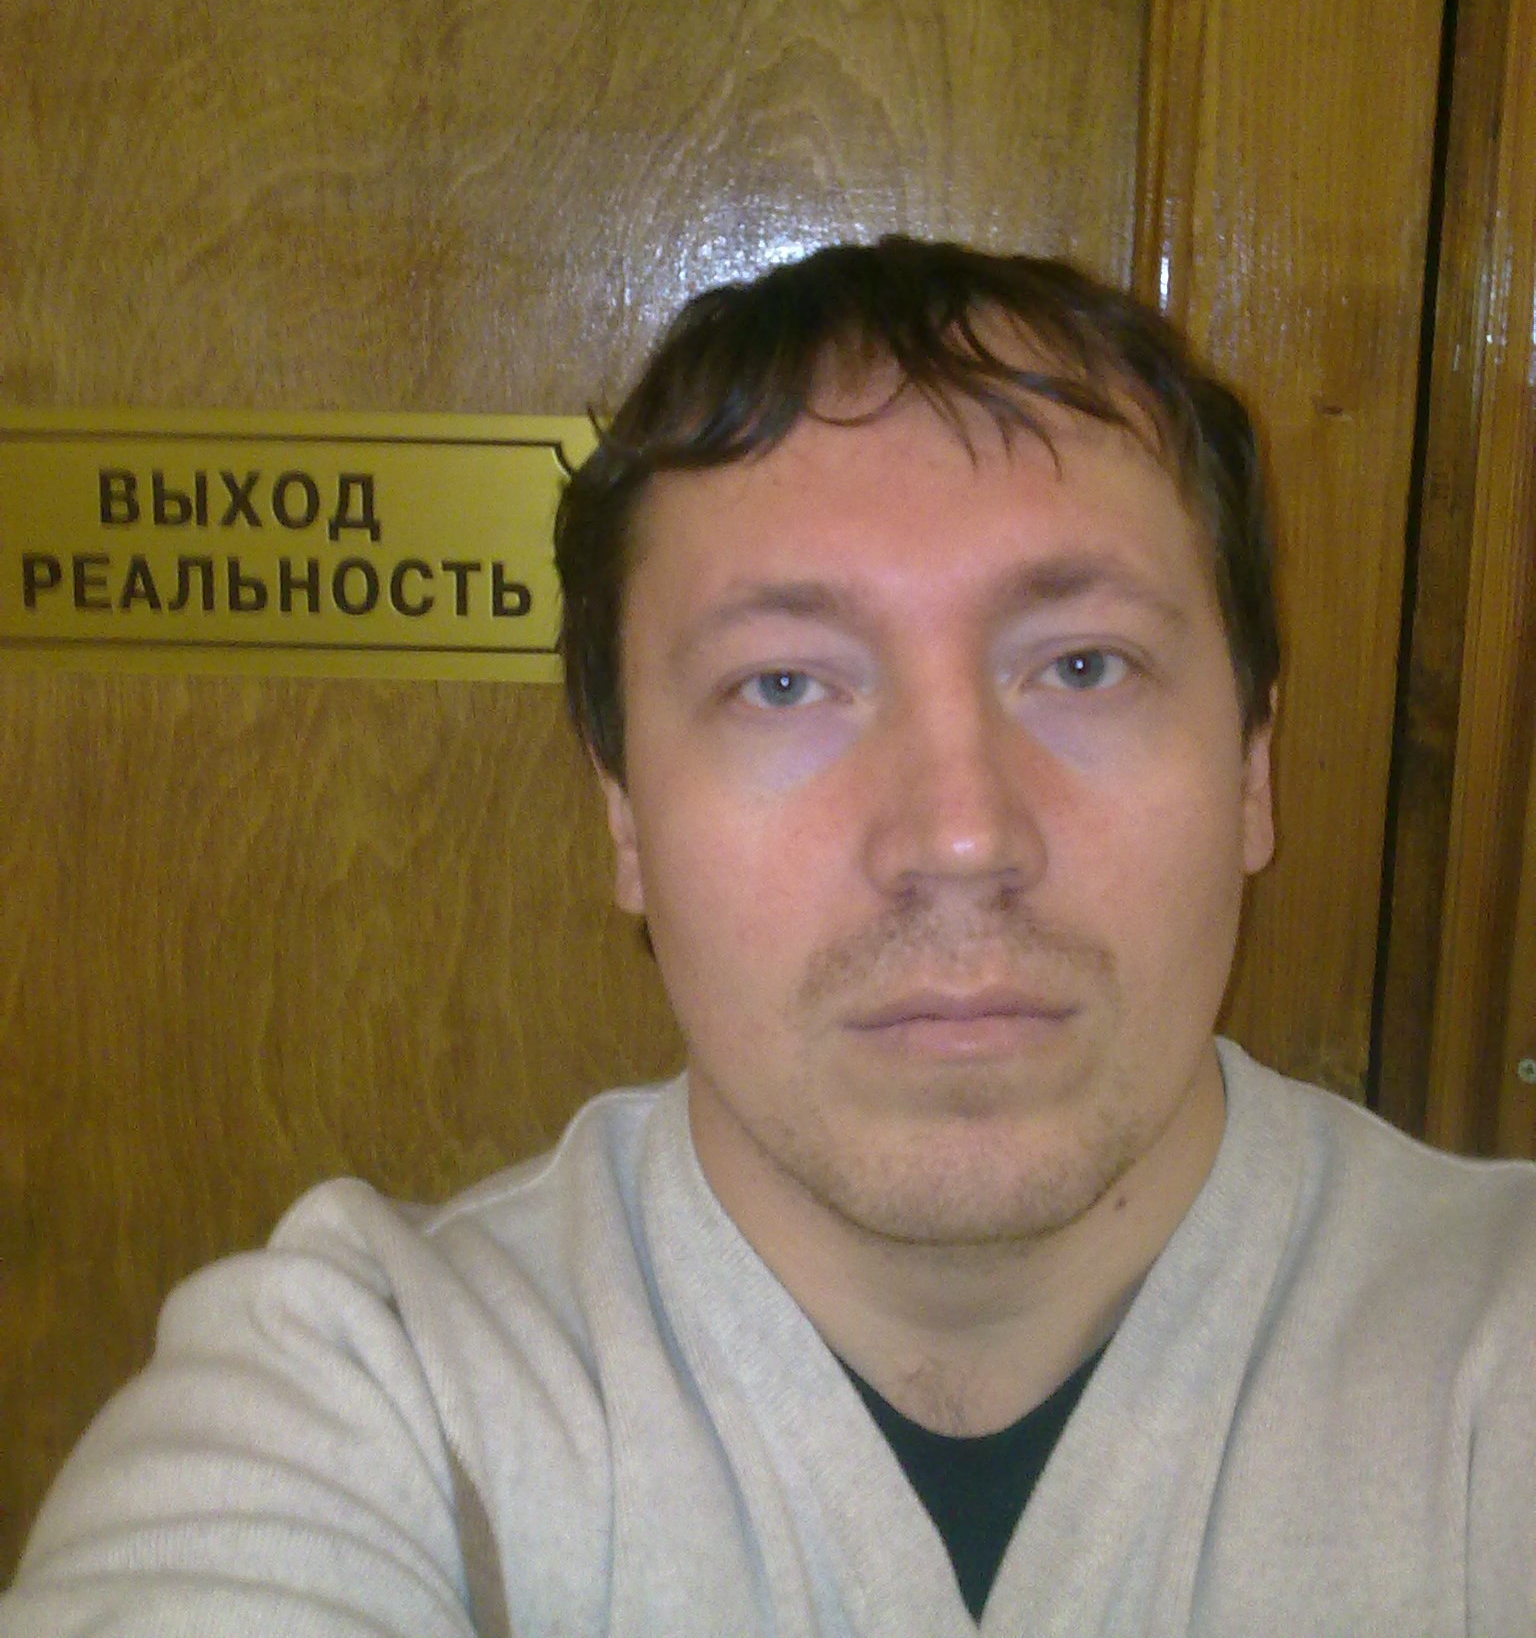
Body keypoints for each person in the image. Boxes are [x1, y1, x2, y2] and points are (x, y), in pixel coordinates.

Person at [3, 237, 1533, 1637]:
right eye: (785, 685)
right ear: (623, 815)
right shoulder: (370, 1394)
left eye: (1082, 664)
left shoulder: (1498, 1357)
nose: (959, 836)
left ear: (1255, 769)